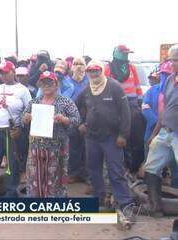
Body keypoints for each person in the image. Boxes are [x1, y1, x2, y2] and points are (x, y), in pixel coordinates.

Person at [76, 60, 136, 215]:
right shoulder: (87, 89)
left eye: (96, 71)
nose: (93, 74)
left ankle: (125, 203)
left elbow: (125, 112)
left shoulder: (114, 86)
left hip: (112, 137)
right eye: (90, 71)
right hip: (91, 138)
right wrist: (82, 123)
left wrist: (123, 135)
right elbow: (77, 106)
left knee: (116, 171)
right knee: (94, 170)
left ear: (101, 71)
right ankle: (99, 199)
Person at [23, 71, 80, 197]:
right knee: (34, 179)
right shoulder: (34, 102)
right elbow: (24, 119)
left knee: (55, 180)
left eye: (50, 83)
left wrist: (64, 119)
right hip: (36, 148)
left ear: (56, 84)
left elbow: (77, 119)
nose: (47, 86)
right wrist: (26, 118)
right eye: (43, 83)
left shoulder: (65, 102)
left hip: (57, 148)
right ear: (40, 85)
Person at [0, 61, 32, 197]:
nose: (3, 76)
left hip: (11, 132)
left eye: (6, 72)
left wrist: (21, 128)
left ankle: (10, 195)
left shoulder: (23, 90)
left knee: (11, 166)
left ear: (13, 71)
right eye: (1, 73)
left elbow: (29, 111)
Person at [143, 45, 178, 217]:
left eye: (175, 60)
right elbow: (164, 110)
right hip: (166, 131)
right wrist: (154, 133)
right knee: (151, 167)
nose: (172, 63)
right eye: (171, 60)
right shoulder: (170, 80)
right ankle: (155, 206)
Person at [105, 45, 145, 174]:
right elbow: (104, 86)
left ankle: (133, 167)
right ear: (117, 53)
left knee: (133, 135)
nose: (126, 56)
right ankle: (121, 167)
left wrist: (140, 102)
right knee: (118, 135)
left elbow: (138, 86)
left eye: (127, 53)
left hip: (132, 104)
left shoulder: (131, 68)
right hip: (115, 105)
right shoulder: (108, 68)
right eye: (124, 53)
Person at [67, 57, 90, 183]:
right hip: (71, 120)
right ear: (72, 67)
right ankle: (74, 173)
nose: (79, 67)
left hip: (88, 120)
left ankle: (87, 175)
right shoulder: (67, 82)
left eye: (81, 64)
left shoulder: (90, 82)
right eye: (76, 64)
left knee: (87, 149)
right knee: (73, 147)